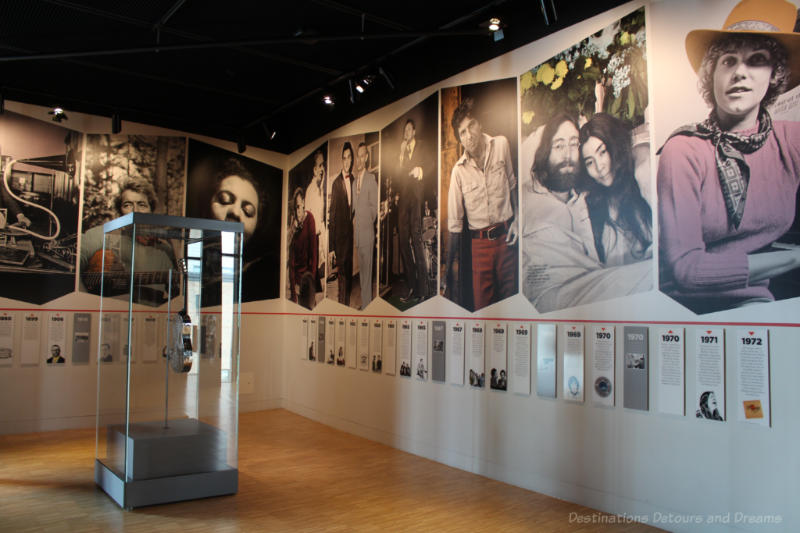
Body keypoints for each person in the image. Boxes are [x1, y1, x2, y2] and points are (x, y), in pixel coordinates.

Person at [658, 0, 800, 314]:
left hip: (754, 299)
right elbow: (687, 271)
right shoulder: (683, 149)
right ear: (712, 75)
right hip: (680, 306)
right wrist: (794, 258)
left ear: (774, 75)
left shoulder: (789, 140)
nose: (740, 73)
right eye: (728, 61)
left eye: (757, 60)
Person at [521, 113, 651, 312]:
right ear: (545, 152)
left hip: (592, 289)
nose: (567, 155)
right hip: (548, 297)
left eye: (574, 145)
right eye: (558, 145)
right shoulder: (525, 195)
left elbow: (635, 151)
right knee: (657, 273)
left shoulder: (587, 196)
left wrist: (640, 155)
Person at [447, 97, 518, 311]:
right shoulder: (458, 172)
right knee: (483, 310)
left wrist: (518, 219)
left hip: (507, 240)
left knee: (510, 306)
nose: (469, 136)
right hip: (479, 248)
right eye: (463, 133)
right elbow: (454, 226)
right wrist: (448, 268)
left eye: (471, 126)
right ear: (460, 139)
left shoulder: (502, 144)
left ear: (480, 124)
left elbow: (513, 186)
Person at [80, 179, 177, 303]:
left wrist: (174, 243)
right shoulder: (102, 234)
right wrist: (85, 301)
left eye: (142, 204)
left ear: (150, 210)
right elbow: (73, 268)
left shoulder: (164, 250)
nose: (135, 210)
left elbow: (177, 296)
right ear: (120, 211)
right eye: (128, 205)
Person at [579, 113, 653, 266]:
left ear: (615, 145)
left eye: (602, 152)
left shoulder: (642, 172)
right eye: (590, 162)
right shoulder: (594, 203)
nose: (600, 167)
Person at [396, 119, 429, 303]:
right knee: (402, 240)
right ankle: (412, 287)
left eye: (409, 129)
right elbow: (397, 174)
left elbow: (431, 164)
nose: (406, 132)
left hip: (416, 197)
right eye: (404, 130)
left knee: (416, 238)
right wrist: (401, 156)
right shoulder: (402, 153)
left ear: (414, 132)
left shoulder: (422, 146)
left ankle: (423, 290)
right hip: (404, 200)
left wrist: (421, 170)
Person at [329, 142, 355, 305]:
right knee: (343, 277)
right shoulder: (336, 184)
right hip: (339, 239)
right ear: (341, 160)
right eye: (344, 158)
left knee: (349, 275)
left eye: (349, 158)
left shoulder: (353, 180)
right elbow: (332, 216)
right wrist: (331, 247)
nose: (347, 161)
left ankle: (345, 304)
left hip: (349, 236)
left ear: (351, 160)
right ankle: (342, 307)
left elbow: (353, 209)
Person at [353, 142, 378, 308]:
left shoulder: (371, 179)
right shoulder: (354, 183)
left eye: (363, 156)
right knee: (362, 274)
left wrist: (362, 217)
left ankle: (368, 307)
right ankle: (364, 304)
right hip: (358, 237)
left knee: (367, 275)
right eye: (358, 156)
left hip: (367, 235)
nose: (360, 159)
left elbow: (374, 210)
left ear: (367, 157)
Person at [288, 187, 318, 310]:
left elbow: (314, 252)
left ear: (304, 203)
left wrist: (311, 281)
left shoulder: (310, 219)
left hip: (307, 277)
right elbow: (291, 260)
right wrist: (294, 293)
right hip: (296, 279)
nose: (298, 211)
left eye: (300, 206)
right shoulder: (293, 225)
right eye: (296, 208)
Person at [305, 150, 327, 285]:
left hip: (320, 238)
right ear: (314, 169)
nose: (322, 169)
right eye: (320, 166)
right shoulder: (311, 191)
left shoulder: (319, 189)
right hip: (314, 241)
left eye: (323, 165)